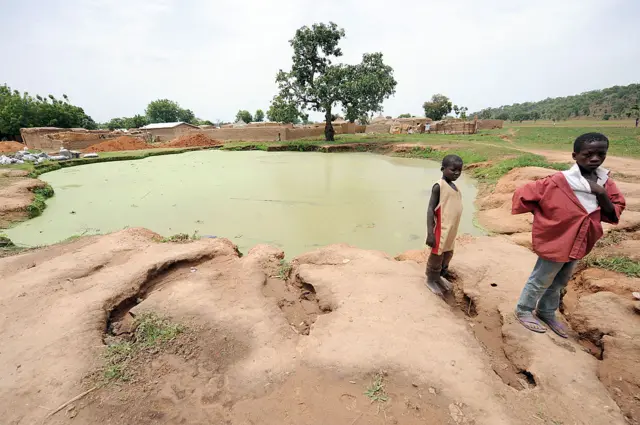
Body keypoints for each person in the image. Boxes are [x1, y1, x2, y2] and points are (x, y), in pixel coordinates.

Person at [512, 132, 626, 338]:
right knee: (542, 277)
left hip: (581, 240)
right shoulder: (560, 180)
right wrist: (545, 217)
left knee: (561, 280)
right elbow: (525, 194)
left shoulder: (605, 183)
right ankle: (524, 310)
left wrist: (600, 193)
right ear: (575, 156)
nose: (595, 159)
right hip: (558, 239)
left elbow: (614, 209)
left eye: (601, 154)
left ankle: (546, 312)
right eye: (588, 154)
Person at [425, 155, 464, 296]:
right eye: (453, 170)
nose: (457, 173)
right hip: (441, 229)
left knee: (447, 254)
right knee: (437, 255)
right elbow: (430, 209)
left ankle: (439, 277)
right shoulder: (439, 186)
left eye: (460, 170)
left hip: (451, 230)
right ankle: (430, 279)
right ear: (443, 169)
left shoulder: (456, 188)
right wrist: (430, 233)